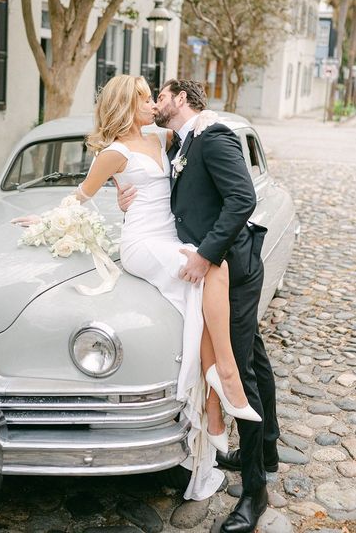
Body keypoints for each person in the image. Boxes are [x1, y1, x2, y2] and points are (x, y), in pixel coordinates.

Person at [13, 74, 261, 503]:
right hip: (143, 242)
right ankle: (225, 374)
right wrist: (46, 221)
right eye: (145, 99)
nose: (152, 105)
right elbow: (80, 196)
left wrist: (203, 121)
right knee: (208, 270)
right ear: (127, 105)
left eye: (154, 98)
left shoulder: (163, 140)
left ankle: (215, 405)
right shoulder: (113, 153)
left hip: (173, 236)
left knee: (199, 303)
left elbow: (196, 130)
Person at [118, 78, 279, 533]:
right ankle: (266, 444)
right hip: (205, 272)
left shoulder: (214, 136)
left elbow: (242, 198)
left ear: (181, 99)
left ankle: (255, 491)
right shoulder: (177, 144)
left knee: (239, 369)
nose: (156, 103)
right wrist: (123, 195)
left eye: (161, 96)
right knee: (256, 355)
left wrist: (206, 254)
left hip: (231, 268)